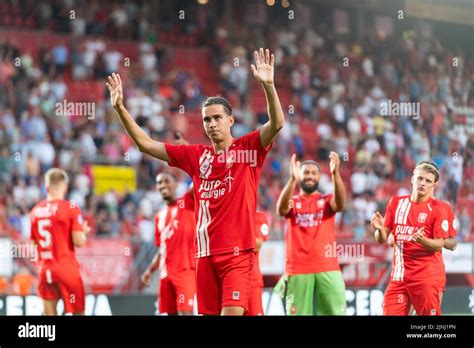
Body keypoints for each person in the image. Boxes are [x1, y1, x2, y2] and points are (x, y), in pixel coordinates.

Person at [106, 48, 284, 315]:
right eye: (207, 120)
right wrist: (120, 108)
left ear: (230, 120)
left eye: (217, 118)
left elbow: (277, 123)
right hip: (203, 256)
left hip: (237, 253)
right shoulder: (196, 156)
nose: (212, 124)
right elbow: (145, 145)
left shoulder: (249, 149)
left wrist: (269, 86)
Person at [371, 161, 449, 315]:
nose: (423, 183)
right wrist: (379, 230)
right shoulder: (396, 203)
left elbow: (440, 244)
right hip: (398, 279)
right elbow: (382, 238)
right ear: (413, 178)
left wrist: (423, 241)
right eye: (420, 178)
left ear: (434, 186)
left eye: (428, 181)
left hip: (425, 279)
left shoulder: (438, 209)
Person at [275, 152, 347, 315]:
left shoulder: (327, 200)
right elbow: (280, 210)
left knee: (337, 312)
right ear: (299, 175)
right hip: (298, 268)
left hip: (328, 266)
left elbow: (341, 204)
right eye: (306, 172)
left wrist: (336, 174)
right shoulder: (293, 201)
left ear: (319, 177)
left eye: (314, 173)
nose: (310, 176)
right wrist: (292, 180)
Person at [30, 168, 90, 315]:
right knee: (78, 313)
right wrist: (82, 232)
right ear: (65, 187)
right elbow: (79, 241)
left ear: (46, 187)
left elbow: (34, 244)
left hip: (45, 270)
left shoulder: (36, 211)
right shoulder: (70, 208)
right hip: (66, 269)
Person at [141, 173, 196, 315]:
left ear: (176, 185)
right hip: (165, 275)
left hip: (185, 271)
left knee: (185, 312)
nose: (163, 185)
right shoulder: (159, 217)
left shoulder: (187, 203)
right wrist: (150, 270)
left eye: (167, 181)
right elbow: (162, 249)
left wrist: (207, 161)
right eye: (159, 183)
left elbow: (196, 185)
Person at [246, 211, 270, 316]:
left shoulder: (260, 217)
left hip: (252, 280)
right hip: (231, 280)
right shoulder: (228, 213)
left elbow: (257, 245)